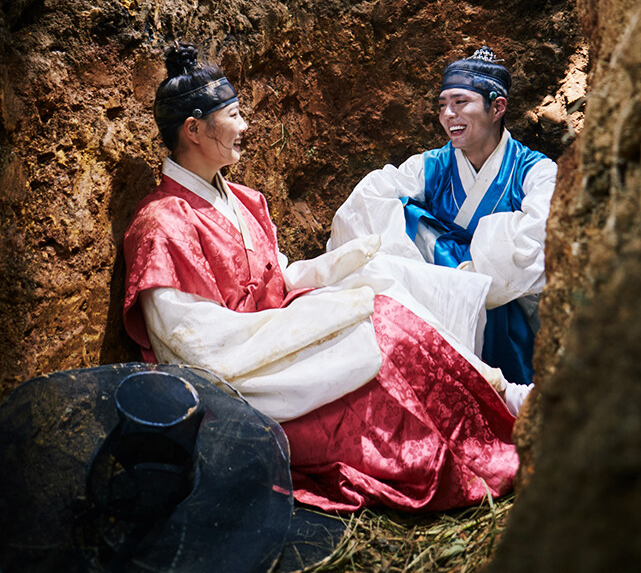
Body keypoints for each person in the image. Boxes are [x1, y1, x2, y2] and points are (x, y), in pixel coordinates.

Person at [123, 43, 525, 513]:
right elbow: (191, 345)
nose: (245, 126)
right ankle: (482, 443)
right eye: (233, 115)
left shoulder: (245, 200)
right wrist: (309, 323)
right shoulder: (161, 224)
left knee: (390, 310)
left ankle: (503, 409)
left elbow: (278, 276)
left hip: (274, 343)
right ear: (193, 129)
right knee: (383, 350)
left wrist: (338, 266)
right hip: (241, 378)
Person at [329, 47, 557, 385]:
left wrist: (464, 276)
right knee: (398, 211)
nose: (448, 114)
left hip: (505, 316)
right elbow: (366, 203)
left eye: (460, 102)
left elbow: (537, 242)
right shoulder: (431, 166)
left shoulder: (535, 171)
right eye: (442, 105)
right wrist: (425, 277)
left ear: (498, 107)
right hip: (435, 306)